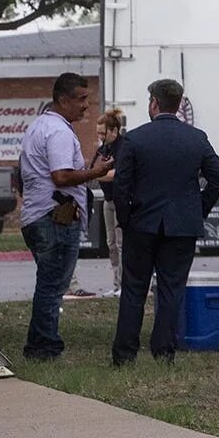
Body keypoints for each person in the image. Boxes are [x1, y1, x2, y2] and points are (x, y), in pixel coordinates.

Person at [112, 79, 219, 365]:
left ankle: (125, 354)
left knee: (134, 288)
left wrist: (126, 219)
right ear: (178, 104)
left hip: (142, 224)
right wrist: (197, 209)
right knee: (171, 289)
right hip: (182, 226)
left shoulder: (135, 139)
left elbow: (121, 187)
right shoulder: (196, 138)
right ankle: (164, 351)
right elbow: (218, 179)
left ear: (153, 103)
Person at [18, 72, 113, 360]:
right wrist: (95, 173)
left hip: (38, 215)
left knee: (50, 284)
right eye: (81, 99)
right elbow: (61, 176)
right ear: (62, 99)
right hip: (54, 217)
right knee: (52, 287)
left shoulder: (40, 126)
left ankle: (40, 344)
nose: (86, 105)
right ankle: (44, 348)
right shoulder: (58, 131)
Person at [94, 109, 128, 297]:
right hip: (108, 201)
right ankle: (116, 284)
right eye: (98, 133)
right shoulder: (104, 149)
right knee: (111, 243)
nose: (100, 136)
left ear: (114, 130)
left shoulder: (123, 147)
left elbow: (117, 174)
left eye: (103, 133)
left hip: (121, 200)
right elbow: (96, 167)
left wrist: (95, 174)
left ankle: (125, 285)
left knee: (122, 244)